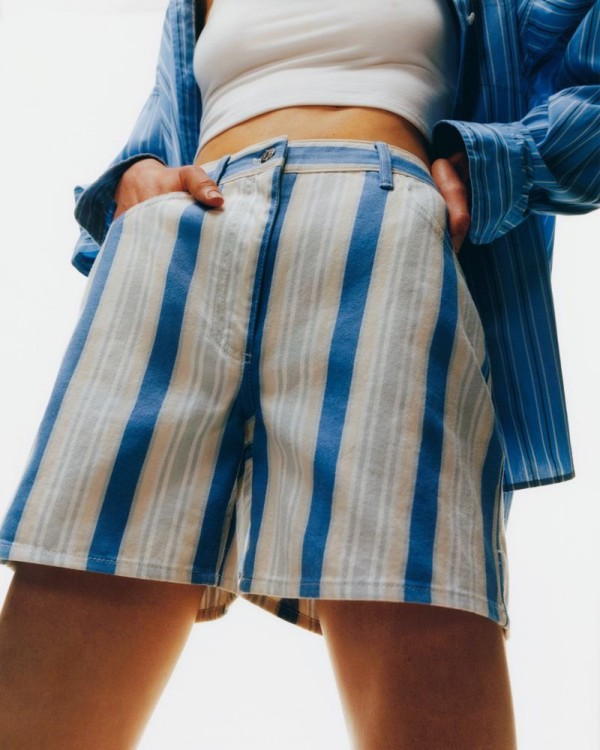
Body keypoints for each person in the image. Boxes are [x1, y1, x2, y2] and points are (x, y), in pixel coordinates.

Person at [0, 0, 597, 747]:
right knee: (48, 667)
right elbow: (168, 125)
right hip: (179, 243)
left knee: (418, 625)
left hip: (378, 235)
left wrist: (492, 165)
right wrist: (136, 177)